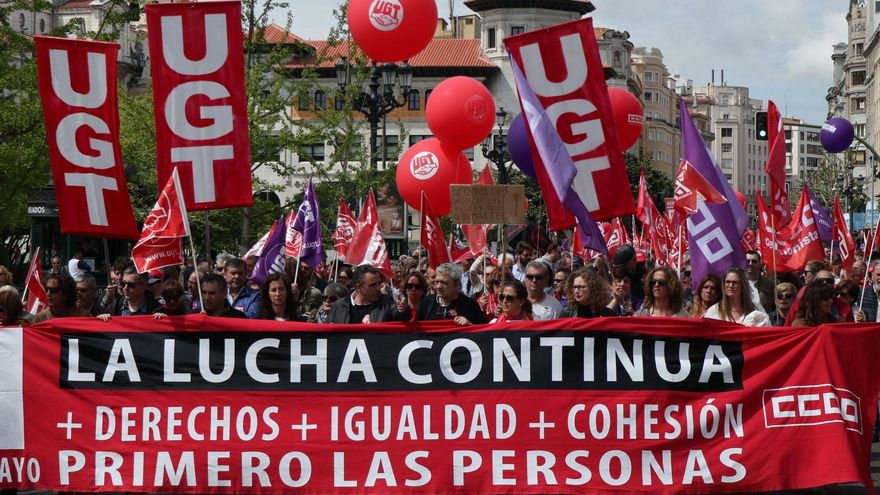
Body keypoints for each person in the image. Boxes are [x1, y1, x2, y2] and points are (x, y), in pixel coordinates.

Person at [328, 265, 411, 324]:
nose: (378, 287)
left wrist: (402, 309)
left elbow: (402, 315)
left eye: (379, 283)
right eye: (373, 285)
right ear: (358, 287)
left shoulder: (387, 303)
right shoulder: (339, 306)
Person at [417, 263, 487, 325]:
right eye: (437, 282)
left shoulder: (471, 306)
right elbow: (416, 331)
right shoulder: (427, 303)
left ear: (456, 284)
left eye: (444, 282)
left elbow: (483, 335)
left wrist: (469, 325)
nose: (438, 286)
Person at [705, 268, 770, 326]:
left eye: (735, 282)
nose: (730, 286)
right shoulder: (713, 311)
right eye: (727, 282)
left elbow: (767, 331)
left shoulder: (756, 309)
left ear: (742, 286)